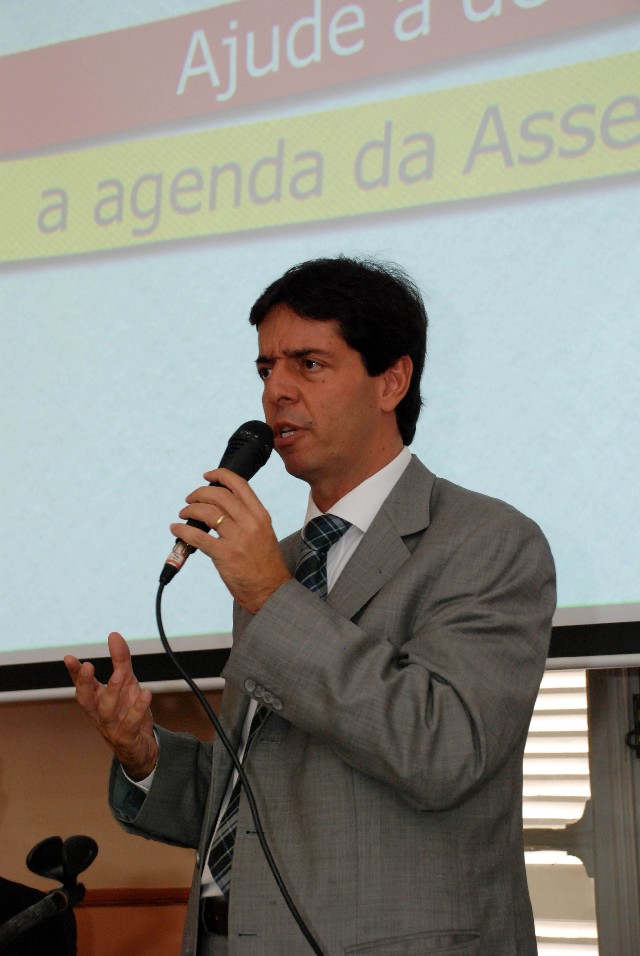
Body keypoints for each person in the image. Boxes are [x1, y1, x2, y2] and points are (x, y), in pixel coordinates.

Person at [65, 256, 556, 956]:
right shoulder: (286, 559)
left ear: (392, 381)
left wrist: (271, 596)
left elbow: (442, 750)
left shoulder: (488, 541)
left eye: (309, 364)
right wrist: (143, 753)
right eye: (266, 369)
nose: (277, 392)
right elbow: (265, 797)